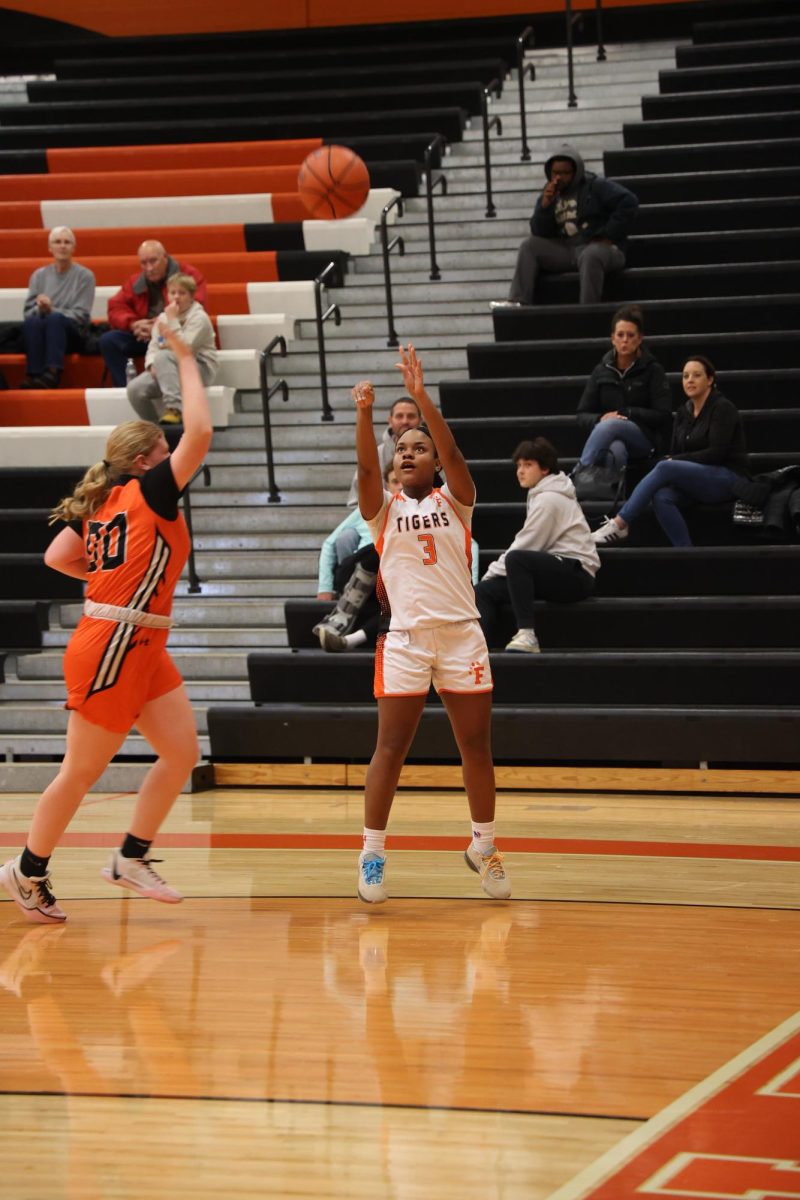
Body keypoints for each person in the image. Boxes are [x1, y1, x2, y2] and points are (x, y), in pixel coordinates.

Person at [0, 326, 213, 924]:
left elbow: (56, 558)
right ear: (147, 460)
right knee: (82, 773)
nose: (176, 460)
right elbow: (199, 431)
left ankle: (130, 859)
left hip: (136, 638)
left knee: (179, 752)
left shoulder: (102, 503)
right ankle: (27, 870)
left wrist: (107, 587)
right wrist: (188, 358)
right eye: (164, 453)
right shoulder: (149, 491)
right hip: (114, 642)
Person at [354, 344, 510, 905]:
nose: (409, 454)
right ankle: (372, 853)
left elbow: (456, 454)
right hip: (405, 641)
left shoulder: (458, 499)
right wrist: (366, 414)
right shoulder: (382, 509)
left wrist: (422, 400)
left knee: (475, 745)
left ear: (435, 462)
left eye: (419, 448)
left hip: (462, 633)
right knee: (389, 749)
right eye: (402, 449)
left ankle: (483, 846)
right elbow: (368, 467)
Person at [592, 356, 748, 547]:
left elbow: (717, 453)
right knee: (662, 497)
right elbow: (676, 451)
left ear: (710, 380)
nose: (689, 380)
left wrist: (675, 460)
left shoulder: (722, 408)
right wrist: (675, 460)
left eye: (696, 375)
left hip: (727, 476)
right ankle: (686, 552)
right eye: (685, 376)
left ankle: (621, 522)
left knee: (666, 467)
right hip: (697, 480)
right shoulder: (683, 412)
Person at [475, 438, 599, 653]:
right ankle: (477, 652)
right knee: (484, 592)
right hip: (554, 572)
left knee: (517, 560)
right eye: (518, 466)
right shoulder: (542, 494)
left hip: (576, 575)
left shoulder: (549, 499)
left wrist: (491, 572)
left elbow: (527, 544)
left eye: (527, 465)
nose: (520, 471)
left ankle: (527, 634)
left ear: (545, 469)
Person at [490, 143, 639, 308]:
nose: (559, 178)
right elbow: (539, 231)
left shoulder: (595, 185)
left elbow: (629, 201)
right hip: (567, 249)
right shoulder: (549, 192)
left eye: (565, 173)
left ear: (576, 172)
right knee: (529, 246)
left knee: (591, 255)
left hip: (599, 247)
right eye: (555, 173)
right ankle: (518, 301)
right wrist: (544, 207)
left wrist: (607, 235)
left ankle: (588, 311)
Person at [575, 305, 672, 473]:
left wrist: (628, 413)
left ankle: (576, 477)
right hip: (609, 435)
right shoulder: (601, 370)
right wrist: (600, 418)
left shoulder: (653, 370)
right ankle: (615, 497)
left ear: (640, 338)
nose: (625, 340)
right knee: (616, 450)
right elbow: (582, 415)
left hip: (645, 439)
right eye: (620, 335)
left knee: (612, 425)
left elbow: (663, 414)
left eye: (630, 335)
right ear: (613, 338)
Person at [100, 241, 208, 387]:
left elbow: (194, 304)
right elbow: (115, 307)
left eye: (153, 261)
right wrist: (133, 324)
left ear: (165, 257)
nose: (149, 268)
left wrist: (157, 325)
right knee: (109, 340)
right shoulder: (135, 281)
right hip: (144, 334)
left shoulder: (188, 275)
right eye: (144, 263)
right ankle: (124, 388)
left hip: (177, 333)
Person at [126, 274, 218, 425]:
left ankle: (175, 409)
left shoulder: (199, 318)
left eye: (182, 293)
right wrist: (151, 365)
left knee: (164, 356)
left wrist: (173, 319)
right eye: (172, 292)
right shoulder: (162, 319)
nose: (176, 297)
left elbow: (185, 349)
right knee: (135, 389)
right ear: (167, 295)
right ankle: (156, 430)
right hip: (167, 367)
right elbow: (153, 346)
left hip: (200, 368)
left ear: (191, 297)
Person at [20, 227, 96, 389]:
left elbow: (81, 315)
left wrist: (52, 310)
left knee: (54, 318)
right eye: (57, 242)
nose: (62, 246)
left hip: (73, 334)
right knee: (33, 322)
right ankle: (35, 374)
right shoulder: (39, 275)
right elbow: (27, 313)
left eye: (67, 242)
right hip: (44, 328)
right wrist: (41, 308)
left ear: (73, 248)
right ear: (50, 247)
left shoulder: (85, 276)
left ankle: (52, 373)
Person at [346, 396, 420, 505]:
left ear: (420, 420)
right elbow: (356, 502)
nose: (405, 421)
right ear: (390, 421)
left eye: (411, 416)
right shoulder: (375, 455)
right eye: (399, 416)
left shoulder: (434, 454)